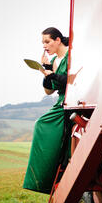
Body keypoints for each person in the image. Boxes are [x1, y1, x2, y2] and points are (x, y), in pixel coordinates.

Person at [23, 27, 71, 194]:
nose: (44, 45)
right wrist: (46, 71)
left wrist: (53, 75)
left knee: (42, 125)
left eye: (47, 41)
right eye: (42, 42)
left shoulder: (72, 55)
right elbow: (49, 91)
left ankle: (53, 173)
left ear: (58, 40)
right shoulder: (55, 61)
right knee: (40, 124)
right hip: (60, 101)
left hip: (72, 100)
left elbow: (74, 80)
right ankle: (44, 179)